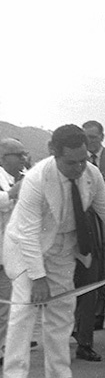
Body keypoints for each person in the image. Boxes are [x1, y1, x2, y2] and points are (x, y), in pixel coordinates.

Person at [3, 125, 105, 378]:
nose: (79, 167)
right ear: (53, 153)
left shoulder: (91, 174)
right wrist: (37, 278)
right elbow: (28, 232)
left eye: (83, 160)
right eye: (71, 162)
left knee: (62, 310)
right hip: (27, 249)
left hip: (63, 248)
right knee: (25, 310)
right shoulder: (37, 179)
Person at [71, 120, 105, 361]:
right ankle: (77, 331)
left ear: (102, 136)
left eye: (94, 137)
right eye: (86, 137)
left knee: (103, 276)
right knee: (77, 285)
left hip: (104, 228)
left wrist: (104, 180)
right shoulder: (70, 164)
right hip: (77, 229)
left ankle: (86, 339)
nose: (91, 141)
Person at [0, 138, 27, 365]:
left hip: (11, 253)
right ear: (3, 158)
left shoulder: (25, 178)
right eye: (18, 154)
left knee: (6, 305)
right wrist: (11, 194)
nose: (23, 158)